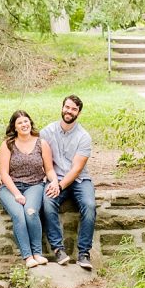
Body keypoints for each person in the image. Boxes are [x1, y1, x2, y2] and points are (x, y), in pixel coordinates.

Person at [0, 110, 61, 268]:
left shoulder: (41, 143)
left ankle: (37, 254)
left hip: (35, 185)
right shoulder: (7, 145)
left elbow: (49, 169)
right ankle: (28, 257)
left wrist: (54, 181)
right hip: (10, 188)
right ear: (14, 127)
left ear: (30, 123)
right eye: (20, 123)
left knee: (31, 212)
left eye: (26, 121)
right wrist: (17, 194)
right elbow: (4, 174)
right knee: (19, 215)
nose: (24, 125)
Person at [40, 95, 96, 270]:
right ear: (62, 107)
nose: (69, 111)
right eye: (67, 107)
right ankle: (58, 249)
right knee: (48, 202)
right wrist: (54, 183)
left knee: (89, 205)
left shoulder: (84, 137)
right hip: (54, 177)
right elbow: (45, 161)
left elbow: (76, 169)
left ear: (78, 112)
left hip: (78, 179)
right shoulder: (47, 132)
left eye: (73, 109)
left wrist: (60, 185)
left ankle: (84, 253)